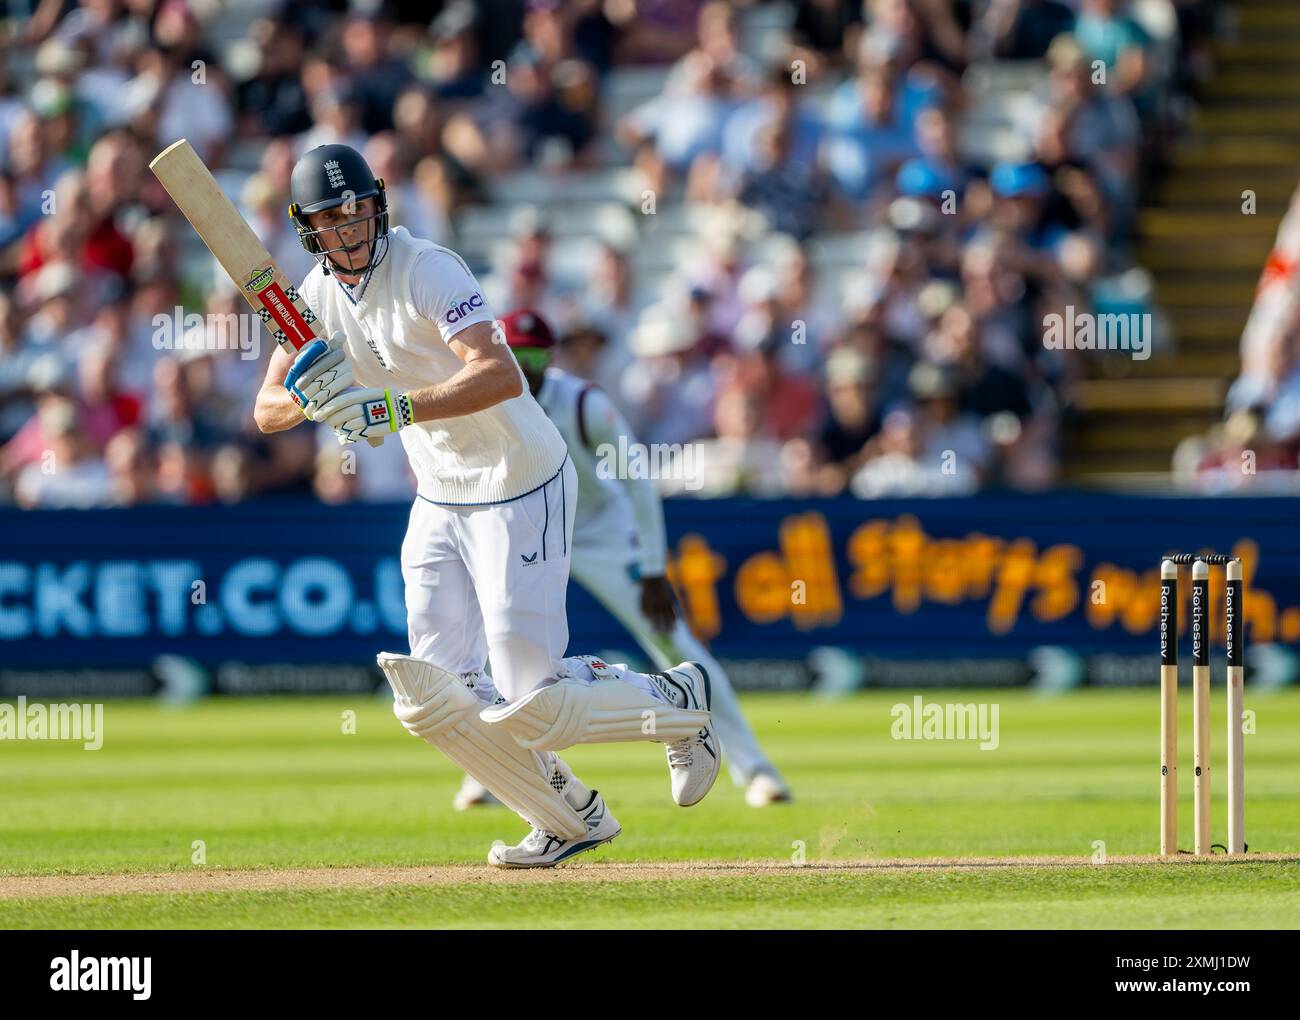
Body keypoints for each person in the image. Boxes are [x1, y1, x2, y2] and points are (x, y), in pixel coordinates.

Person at [252, 144, 721, 868]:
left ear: (377, 205)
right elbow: (266, 409)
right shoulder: (312, 298)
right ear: (309, 229)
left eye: (357, 213)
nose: (349, 231)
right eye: (331, 221)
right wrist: (314, 402)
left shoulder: (428, 268)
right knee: (437, 699)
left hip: (518, 477)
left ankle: (679, 699)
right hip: (439, 495)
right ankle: (567, 818)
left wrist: (392, 407)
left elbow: (501, 374)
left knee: (533, 701)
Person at [452, 309, 790, 810]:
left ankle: (755, 768)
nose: (524, 367)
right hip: (530, 528)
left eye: (533, 356)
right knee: (496, 647)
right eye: (514, 355)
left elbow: (637, 480)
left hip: (599, 531)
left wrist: (654, 569)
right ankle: (494, 775)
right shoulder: (481, 397)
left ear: (551, 356)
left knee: (672, 641)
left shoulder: (585, 403)